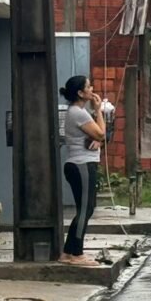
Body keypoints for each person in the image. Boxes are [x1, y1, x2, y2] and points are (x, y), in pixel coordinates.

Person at [59, 75, 105, 267]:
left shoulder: (78, 112)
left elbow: (97, 136)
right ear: (80, 92)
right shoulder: (78, 112)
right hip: (82, 165)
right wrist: (98, 111)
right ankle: (76, 254)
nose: (92, 88)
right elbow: (101, 133)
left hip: (81, 163)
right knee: (85, 209)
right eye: (88, 86)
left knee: (86, 208)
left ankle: (69, 252)